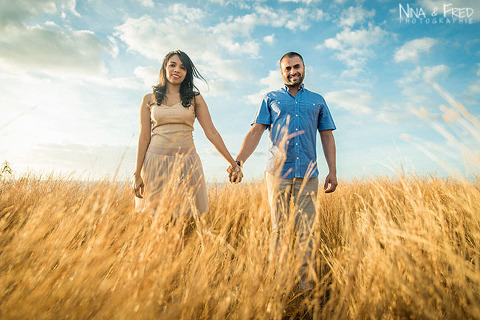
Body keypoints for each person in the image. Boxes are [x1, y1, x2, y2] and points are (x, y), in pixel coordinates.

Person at [231, 51, 337, 288]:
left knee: (306, 232)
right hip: (278, 174)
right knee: (279, 230)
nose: (292, 72)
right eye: (287, 69)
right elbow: (257, 131)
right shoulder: (271, 99)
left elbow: (327, 136)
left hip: (309, 174)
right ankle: (279, 283)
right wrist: (239, 161)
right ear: (282, 73)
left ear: (304, 67)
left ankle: (305, 286)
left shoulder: (317, 100)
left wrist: (333, 171)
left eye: (296, 67)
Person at [134, 50, 241, 215]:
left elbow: (211, 132)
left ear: (187, 73)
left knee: (186, 221)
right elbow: (144, 137)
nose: (177, 70)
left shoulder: (195, 98)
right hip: (155, 165)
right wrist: (137, 173)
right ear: (164, 67)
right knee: (156, 222)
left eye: (182, 67)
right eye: (172, 65)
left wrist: (234, 164)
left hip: (187, 164)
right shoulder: (149, 98)